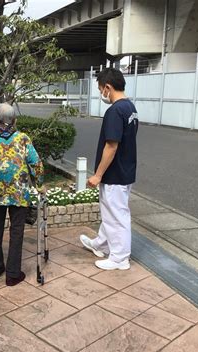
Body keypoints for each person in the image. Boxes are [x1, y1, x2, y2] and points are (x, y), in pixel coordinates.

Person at [79, 68, 139, 271]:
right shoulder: (130, 108)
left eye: (100, 89)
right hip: (126, 170)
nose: (101, 94)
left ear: (108, 87)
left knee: (116, 216)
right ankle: (100, 244)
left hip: (115, 174)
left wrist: (98, 175)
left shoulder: (114, 111)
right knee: (112, 213)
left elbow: (111, 145)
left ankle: (120, 258)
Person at [0, 103, 44, 286]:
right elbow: (36, 163)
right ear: (14, 120)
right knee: (17, 231)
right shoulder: (22, 138)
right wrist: (39, 184)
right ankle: (13, 274)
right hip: (19, 193)